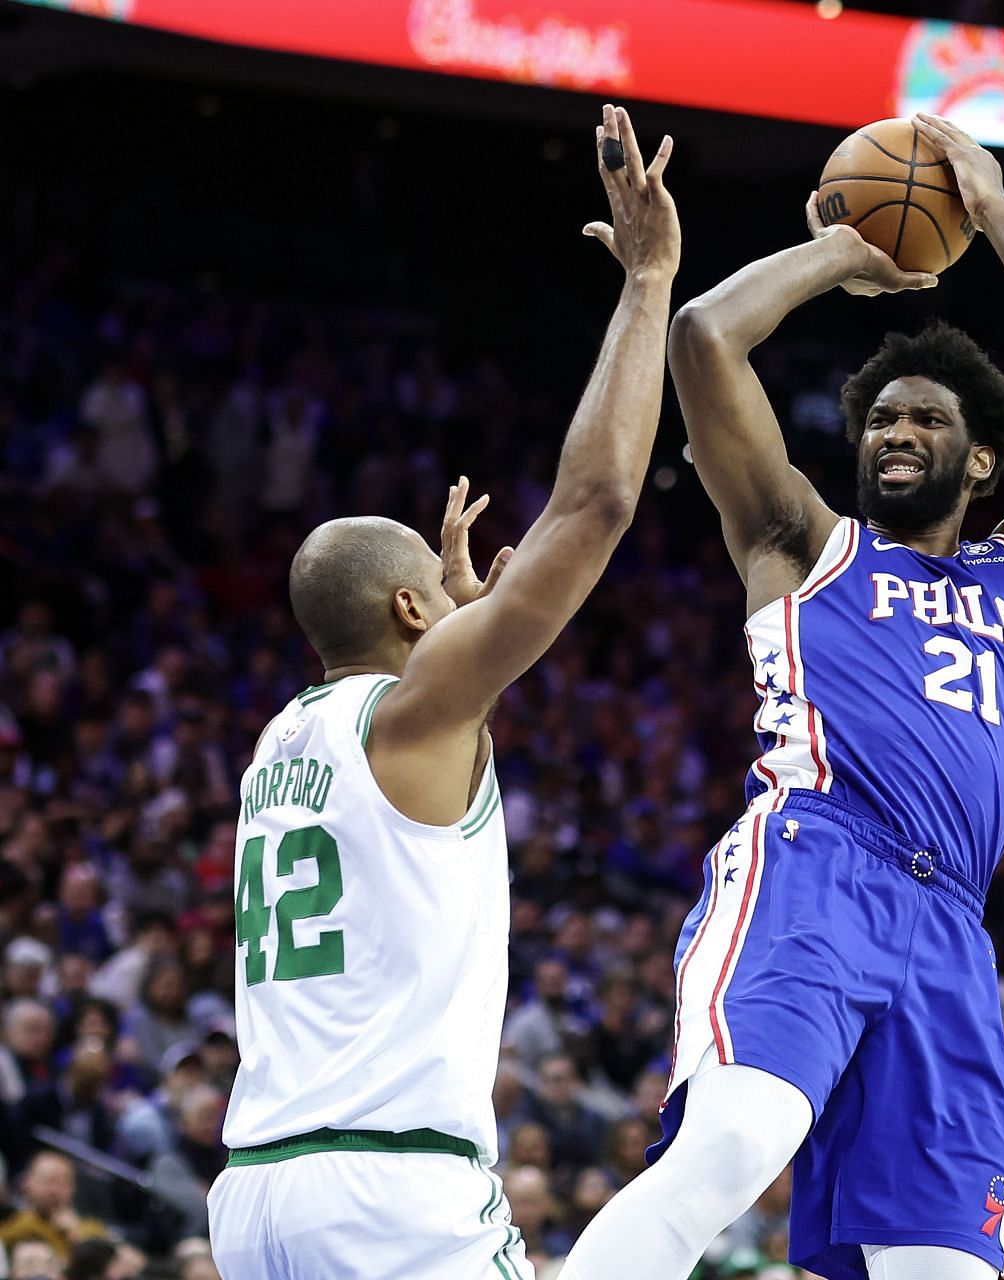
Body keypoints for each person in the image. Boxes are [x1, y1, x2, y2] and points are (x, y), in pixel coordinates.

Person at [565, 111, 1004, 1280]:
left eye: (927, 417)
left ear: (982, 461)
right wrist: (851, 257)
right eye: (880, 417)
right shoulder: (802, 540)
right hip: (818, 865)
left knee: (946, 1271)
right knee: (730, 1144)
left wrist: (1000, 212)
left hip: (952, 931)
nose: (896, 432)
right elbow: (708, 336)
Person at [205, 104, 679, 1280]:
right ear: (413, 617)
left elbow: (421, 803)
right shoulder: (411, 711)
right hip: (391, 1192)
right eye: (436, 579)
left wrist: (461, 636)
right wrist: (648, 282)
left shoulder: (284, 740)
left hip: (257, 1193)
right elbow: (599, 502)